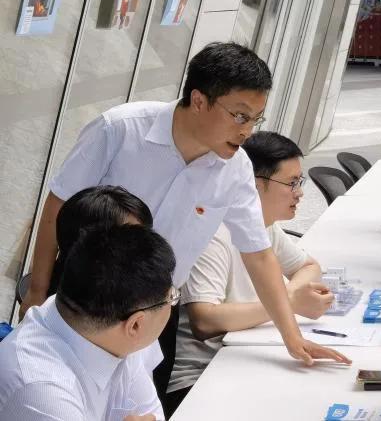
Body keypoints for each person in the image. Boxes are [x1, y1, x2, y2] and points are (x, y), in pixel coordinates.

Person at [20, 42, 349, 398]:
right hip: (83, 300)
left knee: (141, 406)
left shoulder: (235, 169)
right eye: (239, 115)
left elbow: (259, 254)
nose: (247, 131)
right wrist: (37, 292)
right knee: (60, 395)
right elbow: (58, 206)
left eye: (256, 119)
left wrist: (292, 337)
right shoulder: (120, 130)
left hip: (155, 312)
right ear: (199, 100)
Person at [164, 132, 334, 416]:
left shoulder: (262, 226)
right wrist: (287, 303)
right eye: (292, 183)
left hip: (242, 359)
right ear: (255, 185)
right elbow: (204, 320)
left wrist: (289, 296)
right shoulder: (213, 233)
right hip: (200, 378)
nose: (300, 192)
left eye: (300, 182)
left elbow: (309, 267)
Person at [0, 224, 176, 420]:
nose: (173, 303)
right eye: (172, 298)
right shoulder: (42, 390)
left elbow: (153, 413)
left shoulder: (105, 329)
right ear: (135, 324)